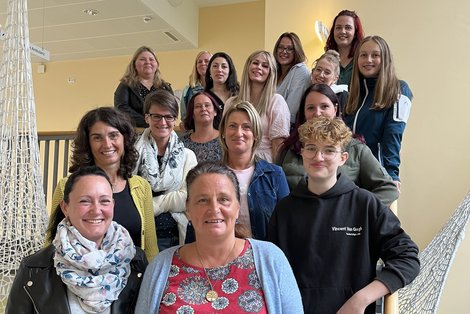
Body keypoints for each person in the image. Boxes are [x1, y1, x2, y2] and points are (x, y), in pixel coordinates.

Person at [268, 117, 420, 314]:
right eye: (311, 148)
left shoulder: (365, 204)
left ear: (343, 158)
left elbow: (407, 258)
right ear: (302, 153)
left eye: (329, 150)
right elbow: (272, 274)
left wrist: (362, 298)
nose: (318, 157)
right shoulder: (284, 210)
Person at [136, 162, 303, 313]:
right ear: (188, 209)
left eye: (224, 199)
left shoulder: (271, 259)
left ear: (237, 207)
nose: (214, 208)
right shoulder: (160, 266)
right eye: (203, 200)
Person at [6, 166, 148, 313]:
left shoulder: (135, 262)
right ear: (65, 207)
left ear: (113, 205)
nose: (96, 210)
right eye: (85, 201)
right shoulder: (34, 268)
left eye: (104, 201)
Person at [46, 107, 158, 261]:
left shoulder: (141, 187)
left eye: (113, 135)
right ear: (88, 143)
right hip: (77, 280)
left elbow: (151, 248)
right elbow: (52, 241)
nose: (107, 144)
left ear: (124, 139)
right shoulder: (66, 185)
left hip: (132, 280)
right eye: (97, 138)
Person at [277, 84, 398, 206]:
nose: (317, 113)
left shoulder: (356, 149)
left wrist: (357, 211)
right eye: (310, 108)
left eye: (324, 106)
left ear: (335, 109)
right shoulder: (288, 149)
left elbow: (388, 188)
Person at [343, 35, 413, 188]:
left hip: (377, 176)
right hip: (349, 176)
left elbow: (393, 135)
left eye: (375, 55)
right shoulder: (352, 94)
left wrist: (392, 174)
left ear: (385, 59)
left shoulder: (399, 89)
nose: (368, 60)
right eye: (363, 55)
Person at [134, 89, 197, 251]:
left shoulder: (187, 156)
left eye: (169, 117)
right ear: (147, 117)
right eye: (157, 116)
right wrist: (170, 200)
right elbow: (129, 195)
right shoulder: (132, 154)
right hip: (136, 234)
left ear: (175, 119)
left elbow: (186, 198)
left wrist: (149, 206)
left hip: (173, 236)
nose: (163, 122)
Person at [219, 101, 289, 239]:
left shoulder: (275, 175)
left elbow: (287, 226)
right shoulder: (210, 176)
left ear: (256, 134)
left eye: (247, 127)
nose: (239, 133)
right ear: (223, 132)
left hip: (264, 257)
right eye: (232, 126)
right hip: (220, 257)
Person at [225, 50, 290, 162]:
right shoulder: (230, 103)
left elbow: (278, 146)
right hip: (234, 162)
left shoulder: (276, 101)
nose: (259, 67)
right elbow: (226, 139)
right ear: (248, 66)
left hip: (264, 164)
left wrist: (274, 173)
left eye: (265, 66)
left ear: (271, 72)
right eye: (255, 63)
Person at [114, 46, 173, 128]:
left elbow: (171, 110)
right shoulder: (125, 85)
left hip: (161, 130)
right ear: (134, 64)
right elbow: (121, 109)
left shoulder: (165, 87)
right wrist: (148, 122)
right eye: (142, 59)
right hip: (135, 132)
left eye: (151, 59)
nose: (147, 62)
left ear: (157, 64)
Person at [273, 32, 311, 125]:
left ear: (297, 52)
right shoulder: (275, 72)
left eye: (290, 49)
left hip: (287, 129)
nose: (284, 51)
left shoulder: (300, 70)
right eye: (281, 47)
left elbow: (290, 113)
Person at [324, 9, 364, 86]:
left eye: (348, 27)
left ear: (355, 32)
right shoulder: (326, 59)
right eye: (338, 28)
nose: (342, 31)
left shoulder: (362, 60)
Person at [180, 91, 223, 162]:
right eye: (198, 106)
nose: (203, 109)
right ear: (192, 113)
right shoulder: (182, 144)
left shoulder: (225, 140)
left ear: (215, 111)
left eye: (207, 105)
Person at [179, 51, 212, 128]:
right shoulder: (187, 91)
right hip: (194, 133)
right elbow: (184, 119)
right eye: (199, 62)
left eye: (207, 61)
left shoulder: (220, 89)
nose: (203, 63)